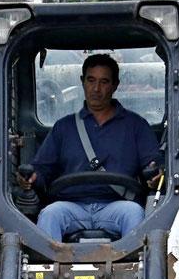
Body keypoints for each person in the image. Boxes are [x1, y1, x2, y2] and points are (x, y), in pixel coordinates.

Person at [19, 54, 162, 242]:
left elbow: (153, 166)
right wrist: (31, 177)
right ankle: (46, 270)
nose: (96, 89)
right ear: (82, 81)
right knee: (50, 215)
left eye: (104, 82)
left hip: (118, 206)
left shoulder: (136, 126)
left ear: (115, 85)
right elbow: (42, 169)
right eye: (91, 80)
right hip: (71, 206)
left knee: (135, 213)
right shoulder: (64, 127)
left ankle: (140, 270)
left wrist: (155, 176)